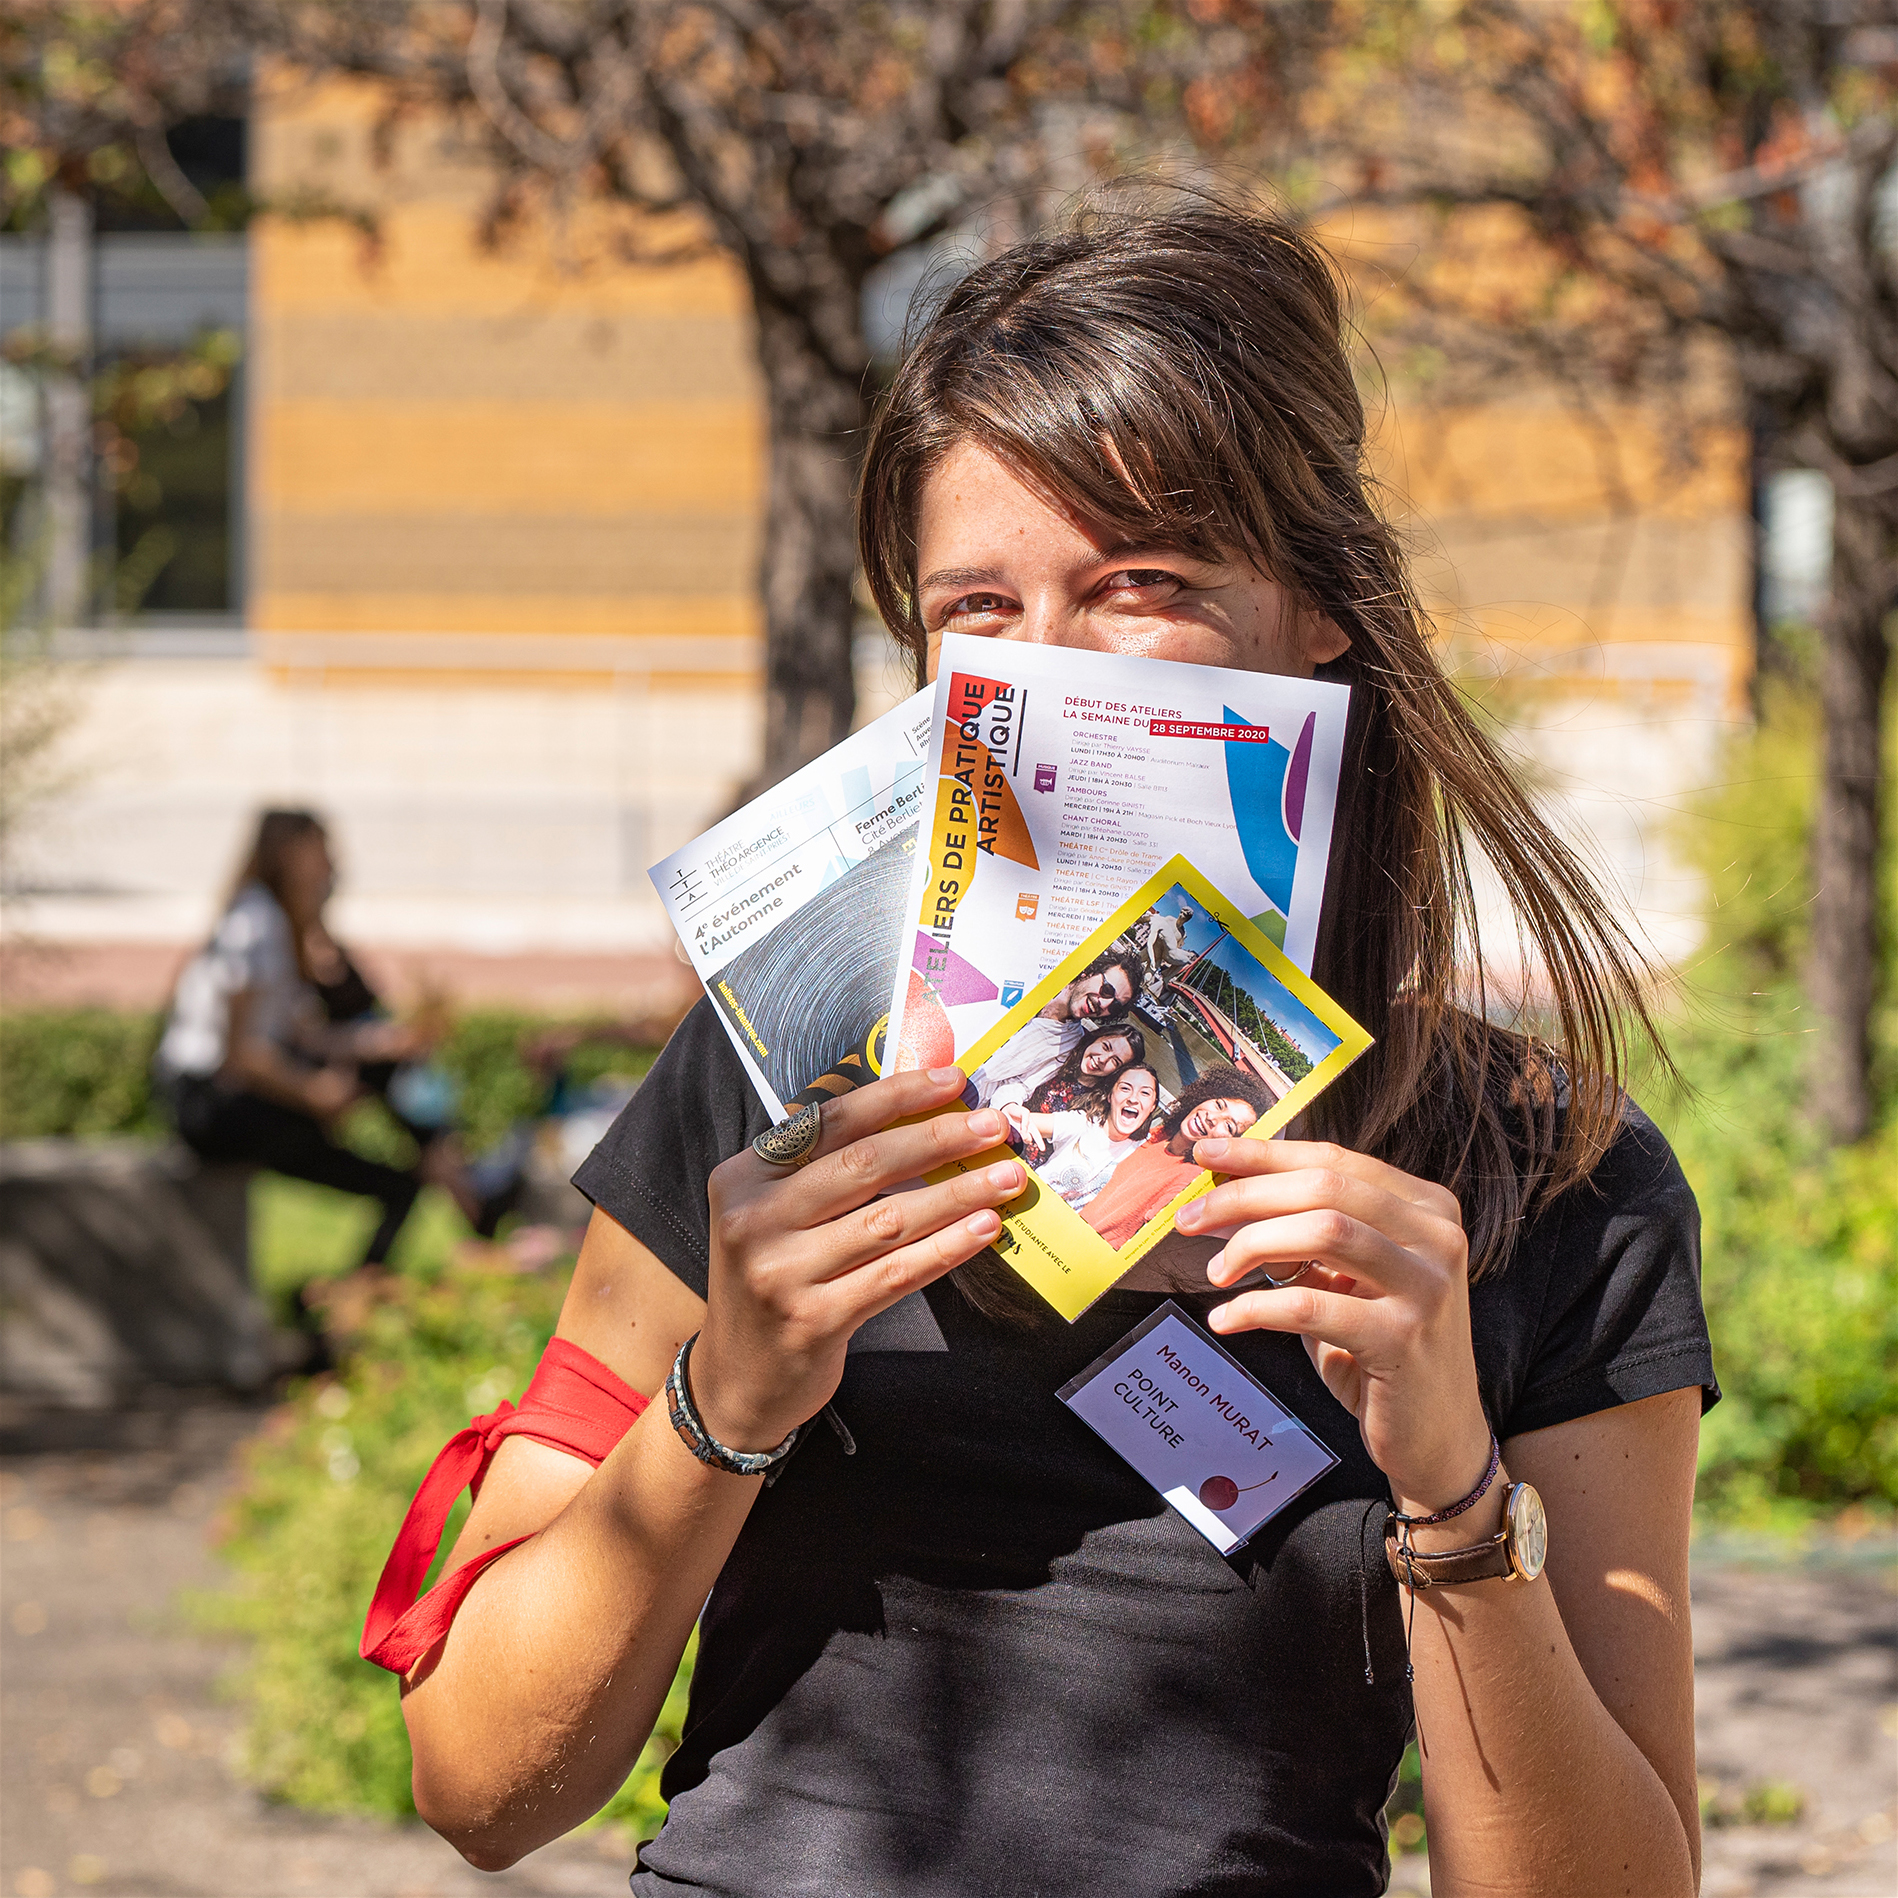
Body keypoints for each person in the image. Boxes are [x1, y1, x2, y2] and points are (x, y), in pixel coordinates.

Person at [379, 201, 1715, 1898]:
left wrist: (1448, 1492)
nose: (1050, 669)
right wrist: (733, 1392)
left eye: (1137, 584)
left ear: (1320, 608)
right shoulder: (783, 1076)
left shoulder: (1550, 1183)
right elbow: (481, 1783)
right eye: (980, 606)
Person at [153, 810, 500, 1273]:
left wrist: (390, 1042)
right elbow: (242, 1056)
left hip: (231, 1097)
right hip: (206, 1103)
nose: (332, 867)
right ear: (289, 853)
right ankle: (465, 1188)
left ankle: (448, 1179)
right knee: (395, 1172)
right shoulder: (254, 924)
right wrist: (311, 1094)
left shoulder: (272, 923)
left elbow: (304, 1037)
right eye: (322, 852)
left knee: (395, 1159)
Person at [1081, 1066, 1277, 1249]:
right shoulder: (1159, 1133)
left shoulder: (1189, 1181)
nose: (1212, 1118)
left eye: (1228, 1126)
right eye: (1219, 1105)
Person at [968, 950, 1141, 1106]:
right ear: (1089, 972)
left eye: (1115, 1006)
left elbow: (1022, 1085)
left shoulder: (1072, 1043)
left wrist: (1010, 1107)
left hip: (972, 1095)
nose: (1103, 1003)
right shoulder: (1034, 978)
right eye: (1107, 990)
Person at [1011, 1062, 1162, 1211]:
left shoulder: (1143, 1150)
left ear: (1153, 1106)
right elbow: (1015, 1121)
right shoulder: (1083, 1123)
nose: (1133, 1098)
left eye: (1145, 1093)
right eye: (1125, 1088)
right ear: (1110, 1096)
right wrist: (1012, 1112)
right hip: (1029, 1205)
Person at [992, 1019, 1146, 1118]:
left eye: (1115, 1061)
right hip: (1005, 1121)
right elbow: (1019, 1085)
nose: (1102, 1060)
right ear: (1097, 1038)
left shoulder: (1097, 1103)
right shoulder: (1061, 1056)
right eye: (1105, 1046)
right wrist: (1009, 1104)